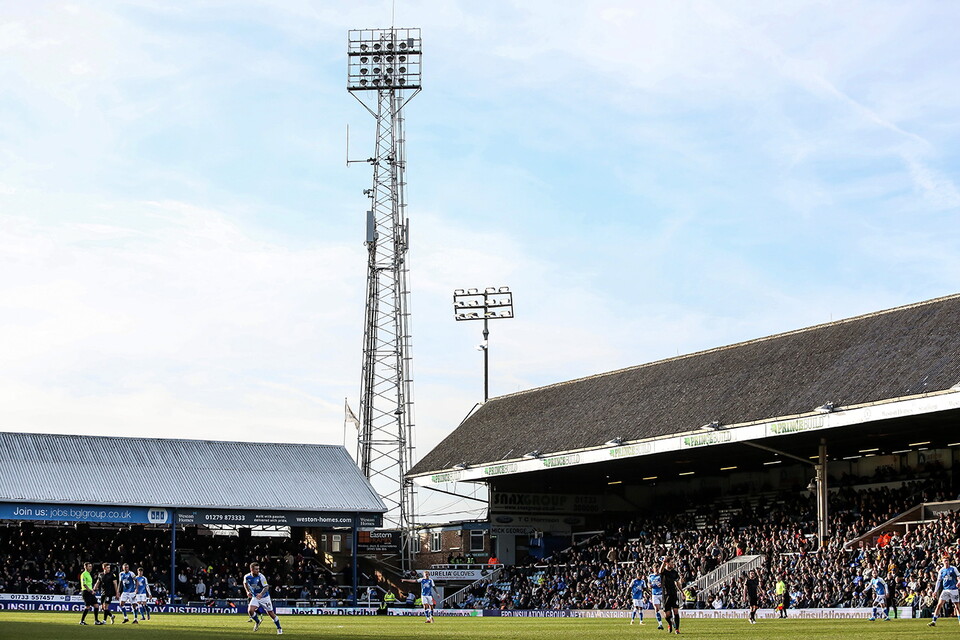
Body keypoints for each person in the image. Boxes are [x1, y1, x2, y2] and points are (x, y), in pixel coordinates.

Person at [244, 562, 283, 634]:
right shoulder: (247, 577)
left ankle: (279, 628)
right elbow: (245, 583)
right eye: (256, 569)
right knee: (250, 611)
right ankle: (257, 621)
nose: (258, 570)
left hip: (264, 597)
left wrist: (261, 594)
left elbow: (266, 587)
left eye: (258, 569)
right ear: (251, 569)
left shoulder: (261, 577)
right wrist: (247, 591)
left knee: (271, 613)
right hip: (255, 597)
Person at [927, 556, 960, 627]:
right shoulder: (941, 571)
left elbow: (958, 576)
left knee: (957, 606)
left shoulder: (953, 568)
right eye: (945, 561)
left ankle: (959, 620)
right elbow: (938, 582)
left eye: (947, 560)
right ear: (942, 562)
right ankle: (933, 621)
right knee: (939, 605)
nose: (946, 562)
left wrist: (959, 581)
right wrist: (935, 591)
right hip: (945, 590)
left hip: (953, 589)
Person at [660, 557, 682, 635]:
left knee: (676, 611)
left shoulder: (674, 573)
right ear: (667, 563)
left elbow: (677, 583)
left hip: (673, 593)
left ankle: (677, 629)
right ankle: (670, 624)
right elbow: (660, 570)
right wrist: (663, 562)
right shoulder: (664, 571)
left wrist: (681, 592)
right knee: (667, 615)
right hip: (666, 594)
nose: (673, 564)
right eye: (671, 563)